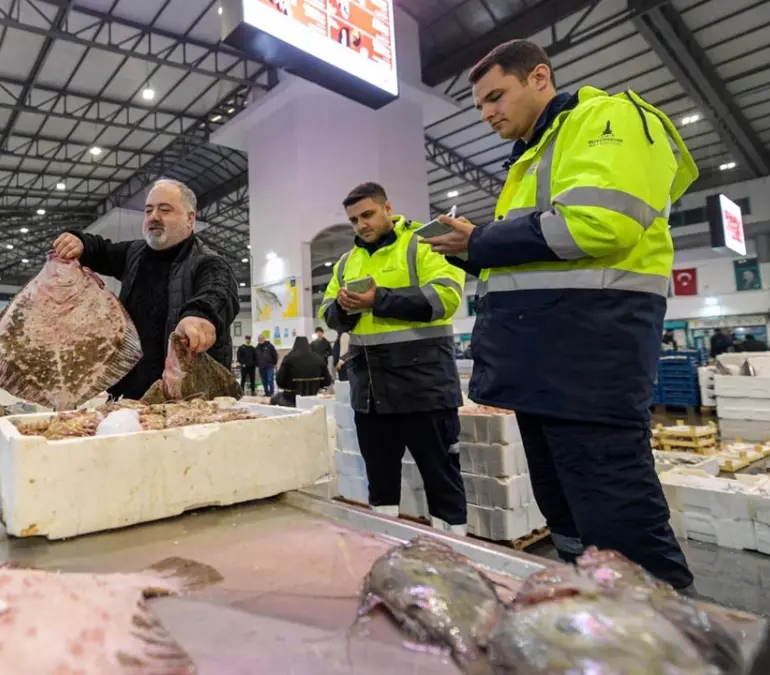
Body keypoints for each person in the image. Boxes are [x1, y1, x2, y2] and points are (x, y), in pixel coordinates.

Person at [421, 40, 696, 588]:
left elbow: (602, 222)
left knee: (619, 519)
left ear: (539, 77)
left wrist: (483, 240)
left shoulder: (608, 117)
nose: (487, 112)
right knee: (566, 513)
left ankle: (677, 642)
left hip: (590, 355)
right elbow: (529, 264)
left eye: (496, 95)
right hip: (543, 364)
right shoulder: (530, 159)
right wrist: (474, 253)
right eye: (479, 105)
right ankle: (595, 620)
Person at [321, 181, 468, 535]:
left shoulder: (423, 243)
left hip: (426, 389)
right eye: (354, 220)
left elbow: (444, 298)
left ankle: (454, 557)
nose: (362, 225)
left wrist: (378, 299)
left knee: (441, 479)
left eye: (368, 215)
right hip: (371, 394)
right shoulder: (346, 263)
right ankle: (383, 549)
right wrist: (345, 309)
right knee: (381, 483)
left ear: (388, 209)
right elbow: (327, 313)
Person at [51, 179, 240, 400]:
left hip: (185, 400)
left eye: (165, 210)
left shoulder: (208, 262)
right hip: (130, 397)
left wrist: (200, 317)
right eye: (148, 210)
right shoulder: (135, 254)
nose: (154, 217)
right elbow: (102, 250)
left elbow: (218, 290)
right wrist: (81, 242)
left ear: (190, 219)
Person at [273, 336, 332, 406]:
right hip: (313, 397)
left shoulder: (289, 359)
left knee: (273, 399)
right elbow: (327, 381)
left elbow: (280, 382)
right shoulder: (319, 359)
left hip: (292, 399)